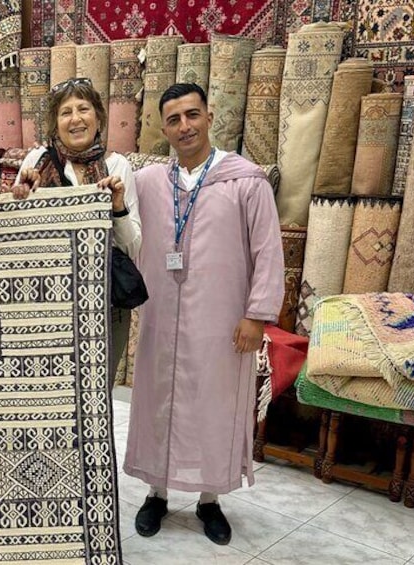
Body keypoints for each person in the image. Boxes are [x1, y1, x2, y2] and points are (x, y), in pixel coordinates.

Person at [122, 83, 283, 545]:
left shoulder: (246, 181)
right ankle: (157, 492)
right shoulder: (150, 183)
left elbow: (268, 251)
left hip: (222, 319)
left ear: (210, 116)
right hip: (161, 317)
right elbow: (123, 226)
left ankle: (210, 500)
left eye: (192, 115)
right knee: (158, 402)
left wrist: (257, 314)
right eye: (173, 119)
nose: (184, 126)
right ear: (164, 128)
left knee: (214, 405)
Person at [12, 77, 142, 375]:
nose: (75, 119)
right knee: (48, 396)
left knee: (98, 393)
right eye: (65, 112)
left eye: (83, 109)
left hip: (105, 305)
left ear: (98, 117)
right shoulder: (36, 162)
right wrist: (22, 198)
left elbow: (133, 246)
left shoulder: (117, 166)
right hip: (46, 305)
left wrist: (117, 207)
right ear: (55, 123)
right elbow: (17, 240)